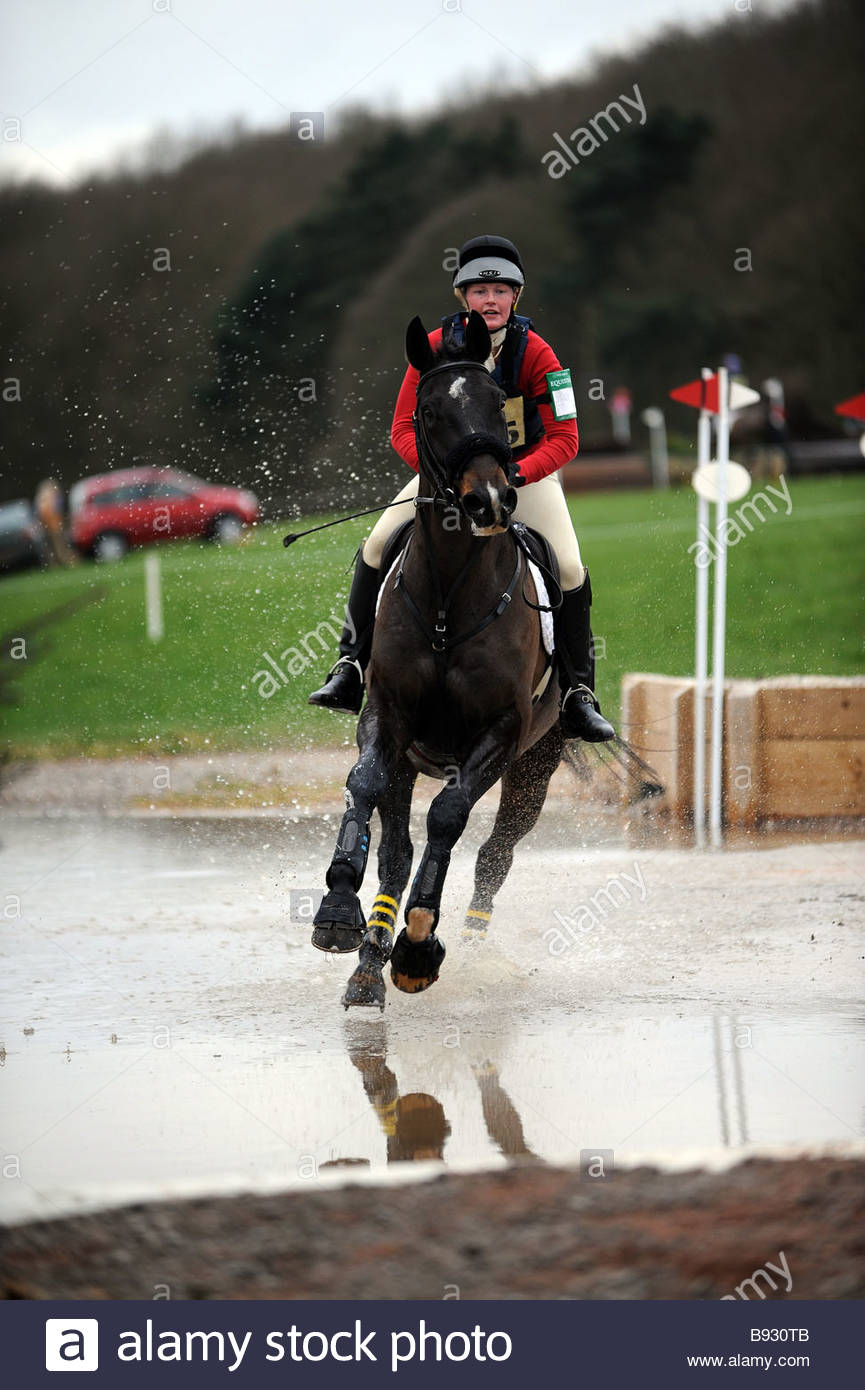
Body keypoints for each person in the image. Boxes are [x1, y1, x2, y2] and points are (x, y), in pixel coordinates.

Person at [308, 234, 614, 741]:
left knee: (566, 566)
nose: (490, 300)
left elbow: (566, 437)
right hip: (448, 476)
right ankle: (350, 666)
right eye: (479, 291)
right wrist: (442, 476)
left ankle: (579, 694)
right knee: (378, 543)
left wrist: (518, 475)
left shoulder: (538, 354)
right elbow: (402, 429)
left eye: (501, 291)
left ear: (516, 296)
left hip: (523, 475)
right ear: (462, 296)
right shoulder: (432, 347)